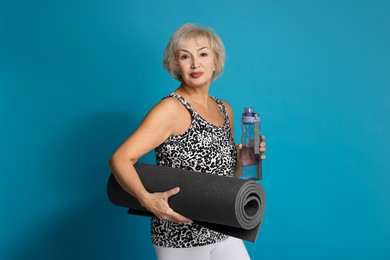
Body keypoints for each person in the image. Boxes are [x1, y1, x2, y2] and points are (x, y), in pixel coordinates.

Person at [109, 23, 267, 260]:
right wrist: (148, 200)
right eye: (185, 56)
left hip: (221, 229)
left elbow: (225, 179)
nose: (195, 64)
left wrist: (243, 160)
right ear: (176, 64)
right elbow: (119, 159)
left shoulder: (225, 109)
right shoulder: (170, 109)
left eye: (203, 54)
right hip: (180, 238)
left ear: (215, 61)